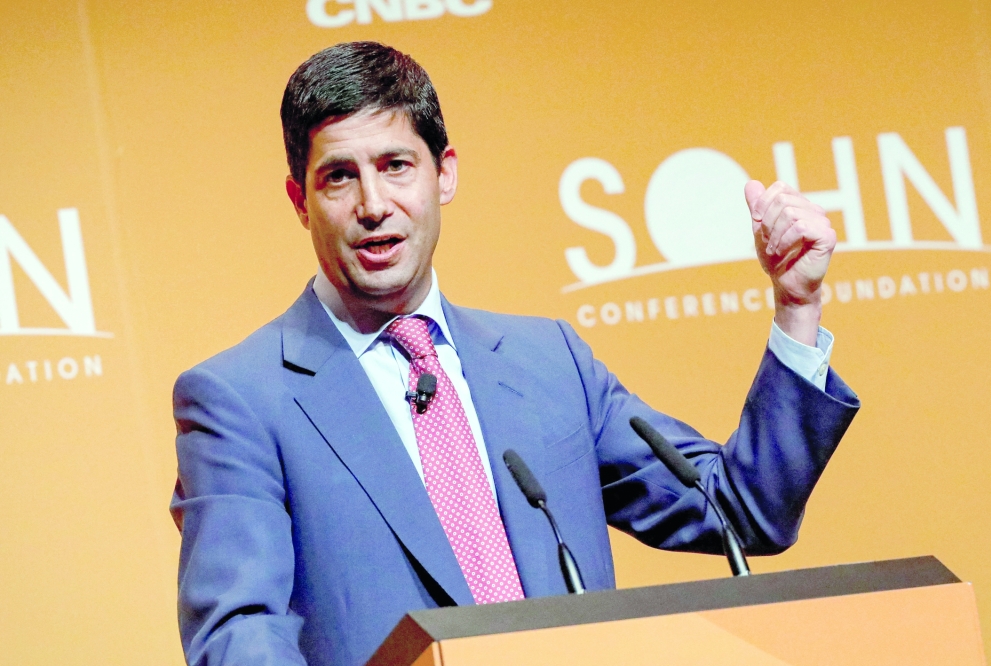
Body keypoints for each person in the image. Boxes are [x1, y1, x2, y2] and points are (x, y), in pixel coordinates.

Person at [170, 41, 859, 666]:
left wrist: (796, 307)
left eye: (396, 166)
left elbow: (740, 510)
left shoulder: (548, 362)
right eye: (339, 178)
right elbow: (239, 636)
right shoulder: (242, 400)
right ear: (300, 201)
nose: (374, 204)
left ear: (444, 175)